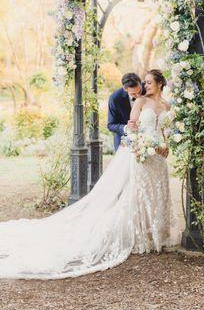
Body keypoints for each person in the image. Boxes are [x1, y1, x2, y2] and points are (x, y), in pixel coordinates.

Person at [0, 69, 175, 280]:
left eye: (148, 82)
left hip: (158, 158)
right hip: (141, 155)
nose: (145, 86)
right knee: (139, 194)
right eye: (144, 82)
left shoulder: (166, 106)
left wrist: (165, 146)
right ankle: (142, 237)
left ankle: (158, 235)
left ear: (159, 83)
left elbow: (166, 132)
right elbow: (131, 129)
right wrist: (140, 143)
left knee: (157, 193)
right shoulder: (140, 103)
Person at [107, 73, 143, 151]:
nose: (138, 96)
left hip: (145, 141)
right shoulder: (115, 98)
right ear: (125, 89)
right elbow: (111, 125)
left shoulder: (147, 88)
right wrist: (126, 127)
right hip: (124, 142)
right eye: (133, 94)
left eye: (139, 91)